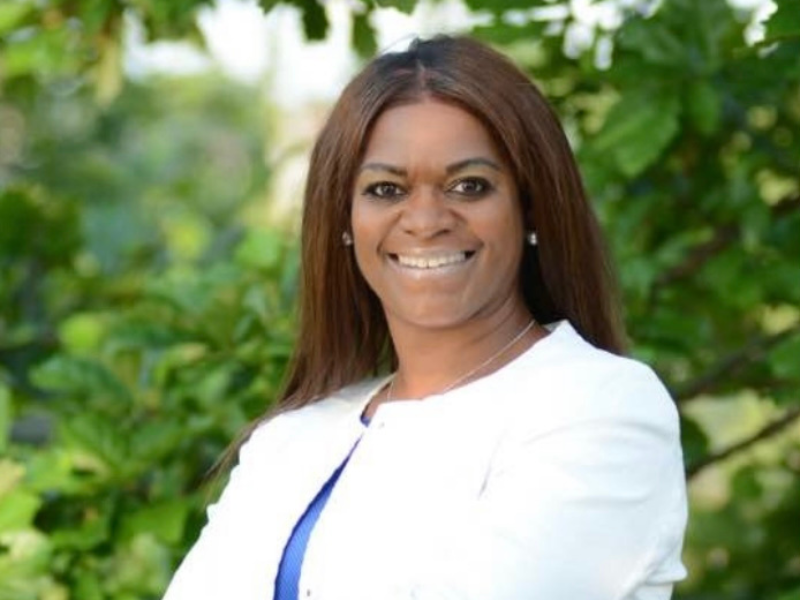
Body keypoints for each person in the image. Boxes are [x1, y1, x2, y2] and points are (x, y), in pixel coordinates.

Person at [162, 35, 687, 600]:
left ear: (531, 207)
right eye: (386, 189)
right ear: (344, 219)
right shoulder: (290, 439)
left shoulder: (601, 408)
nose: (426, 219)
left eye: (469, 186)